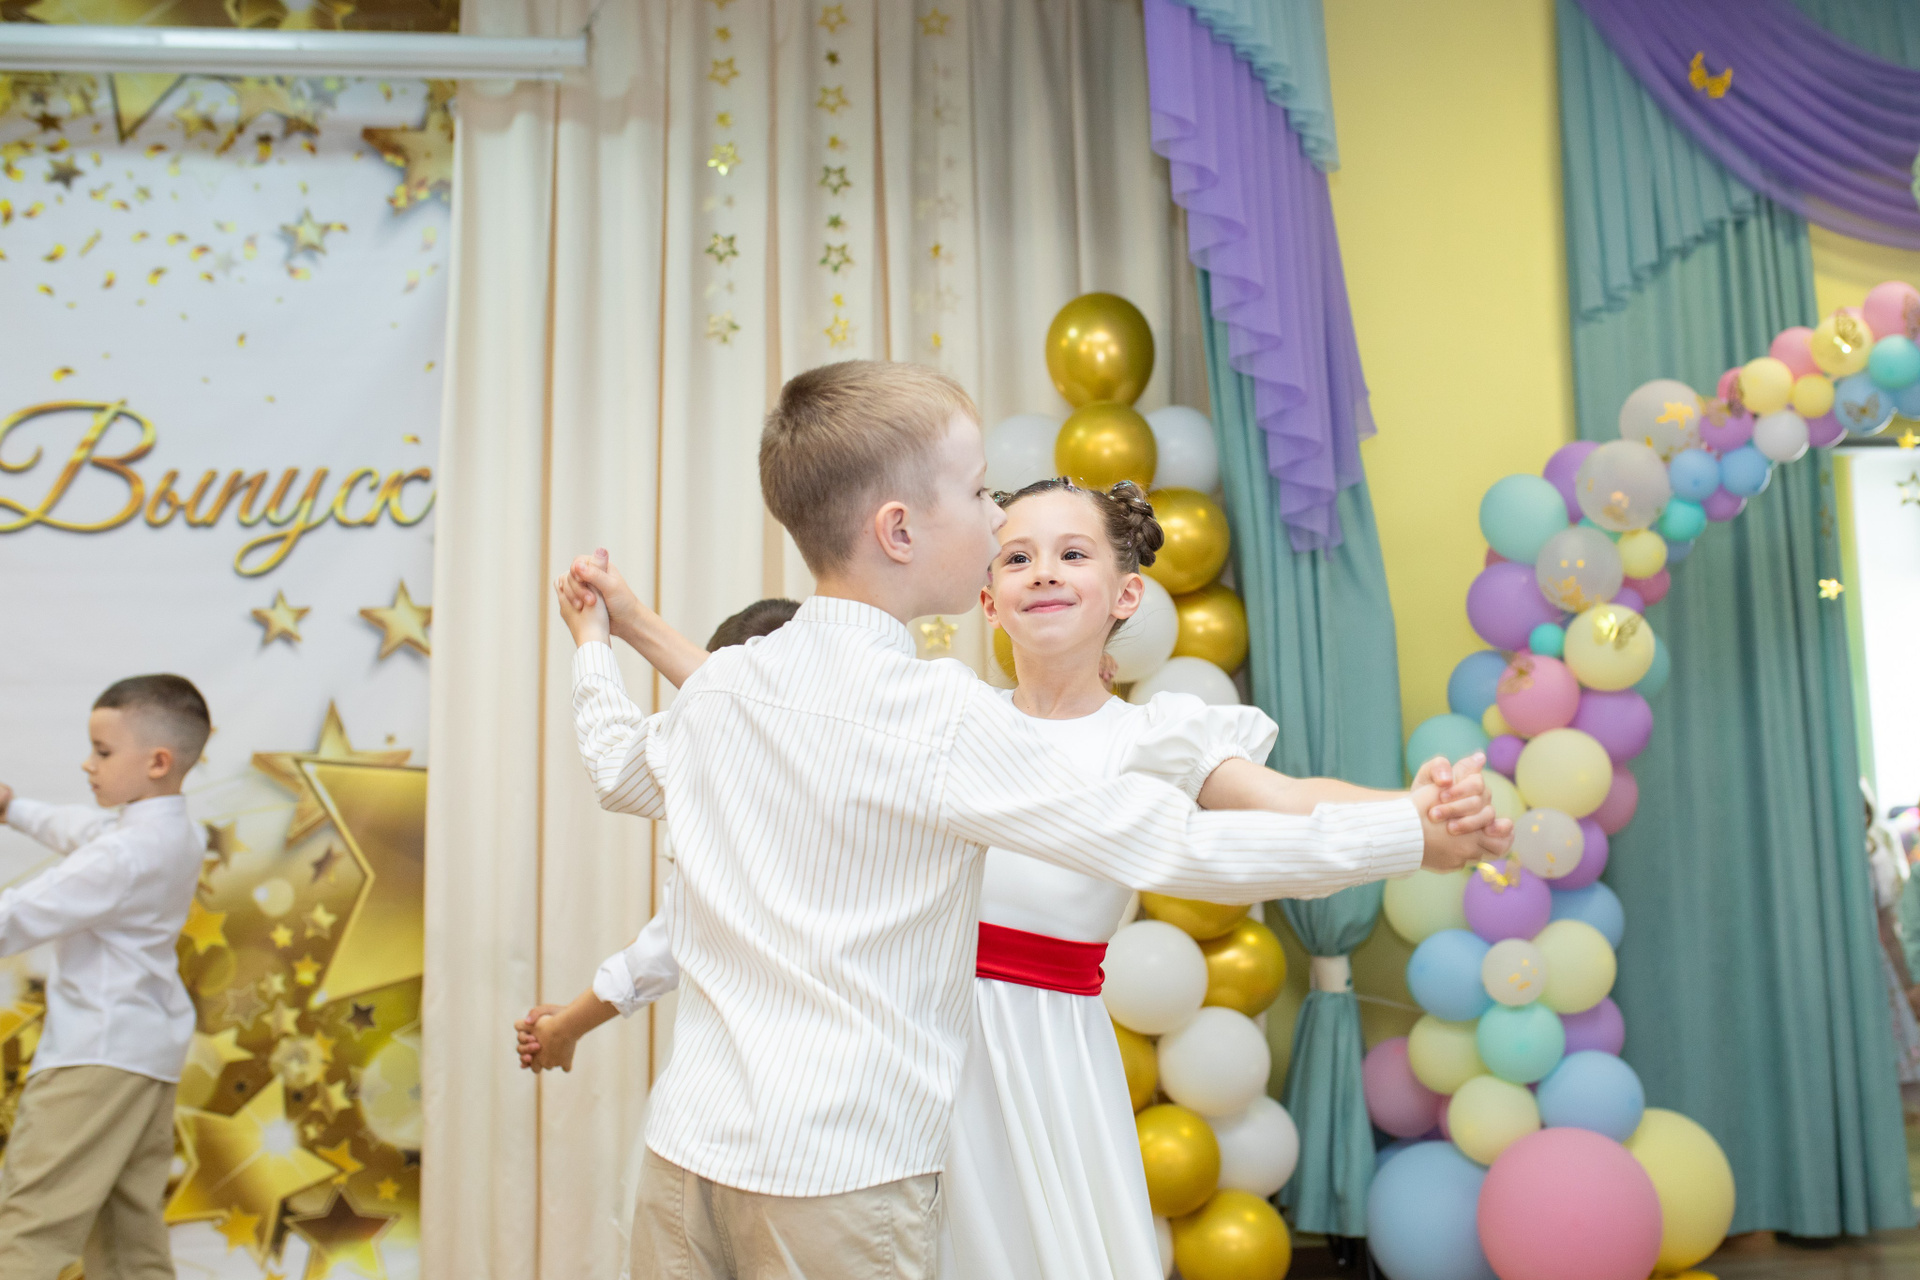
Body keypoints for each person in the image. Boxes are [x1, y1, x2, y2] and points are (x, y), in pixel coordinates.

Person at [552, 359, 1509, 1279]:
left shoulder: (743, 687)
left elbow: (628, 764)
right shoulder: (937, 718)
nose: (995, 518)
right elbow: (1177, 846)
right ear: (906, 536)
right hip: (844, 1156)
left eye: (1066, 550)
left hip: (695, 1143)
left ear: (1124, 595)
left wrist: (600, 643)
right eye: (981, 498)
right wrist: (1410, 837)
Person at [0, 674, 211, 1280]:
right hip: (145, 1057)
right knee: (129, 1240)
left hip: (92, 1057)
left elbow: (17, 915)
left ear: (157, 762)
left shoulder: (122, 856)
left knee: (29, 1230)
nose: (87, 765)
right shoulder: (175, 833)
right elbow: (81, 829)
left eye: (103, 751)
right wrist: (13, 809)